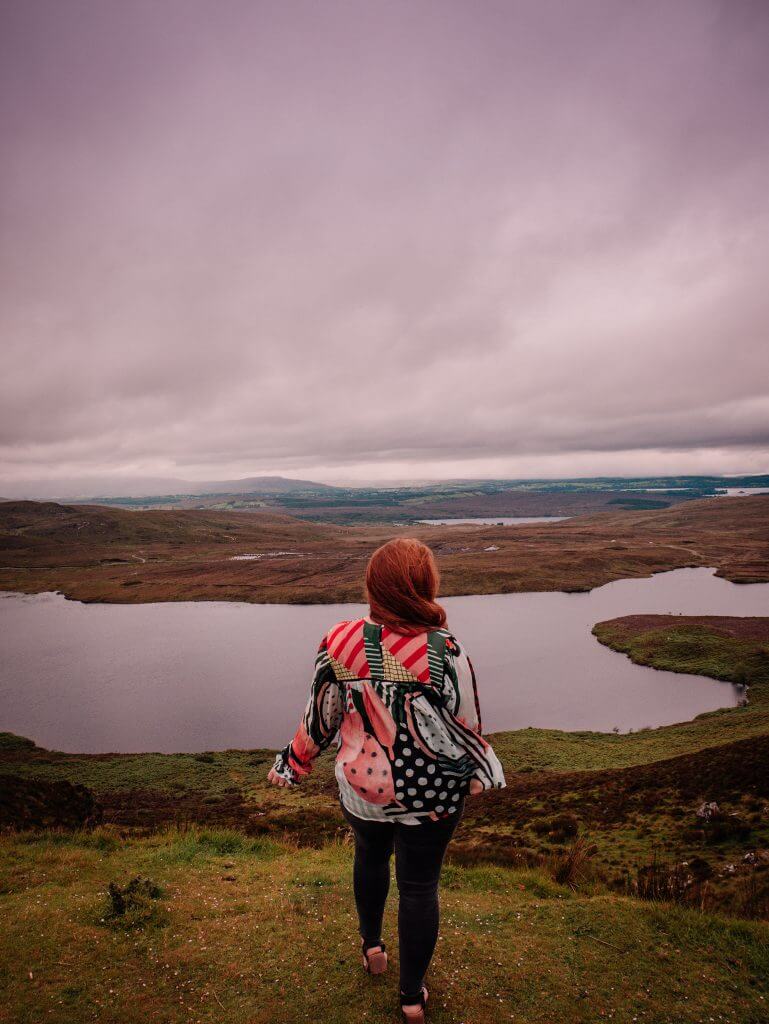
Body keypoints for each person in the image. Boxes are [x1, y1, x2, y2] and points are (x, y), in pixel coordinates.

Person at [268, 537, 506, 1022]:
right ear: (424, 585)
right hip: (432, 797)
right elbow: (469, 726)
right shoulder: (446, 651)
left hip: (361, 792)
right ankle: (412, 998)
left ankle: (373, 949)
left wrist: (293, 762)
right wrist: (479, 774)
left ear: (374, 585)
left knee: (369, 858)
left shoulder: (339, 640)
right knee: (419, 887)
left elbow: (322, 714)